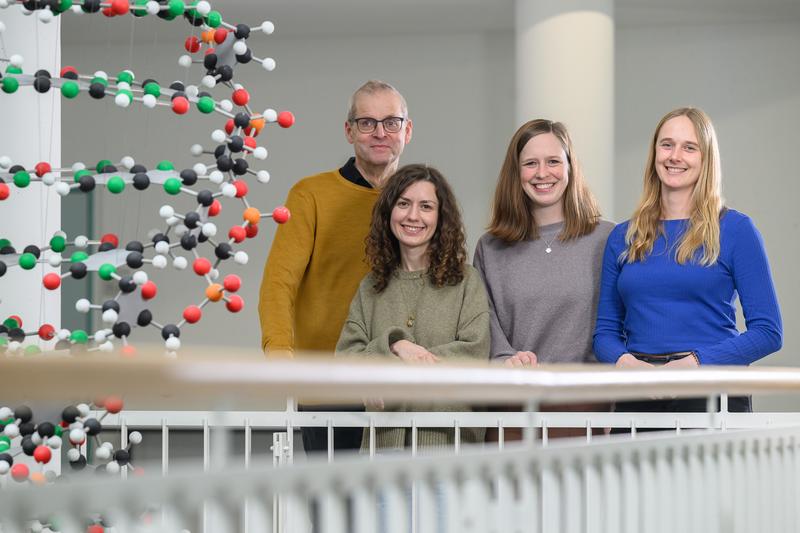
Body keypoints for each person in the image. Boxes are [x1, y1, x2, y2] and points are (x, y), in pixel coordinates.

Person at [593, 107, 783, 417]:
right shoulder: (622, 236)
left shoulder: (735, 230)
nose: (674, 156)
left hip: (710, 388)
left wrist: (693, 363)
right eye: (666, 144)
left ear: (706, 158)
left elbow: (768, 332)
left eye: (689, 147)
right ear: (655, 153)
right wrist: (629, 365)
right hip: (640, 389)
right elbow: (605, 333)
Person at [258, 80, 413, 454]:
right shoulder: (310, 195)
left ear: (408, 130)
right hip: (328, 381)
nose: (380, 132)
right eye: (367, 122)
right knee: (334, 509)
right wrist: (281, 358)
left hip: (403, 381)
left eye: (391, 122)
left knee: (403, 509)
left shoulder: (419, 203)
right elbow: (278, 284)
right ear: (349, 131)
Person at [473, 119, 614, 439]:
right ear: (516, 172)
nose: (542, 173)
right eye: (530, 163)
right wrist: (506, 360)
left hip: (586, 411)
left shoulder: (607, 239)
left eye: (553, 161)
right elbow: (485, 321)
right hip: (512, 410)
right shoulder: (491, 248)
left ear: (570, 167)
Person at [336, 164, 490, 450]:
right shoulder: (370, 287)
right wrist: (396, 345)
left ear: (441, 217)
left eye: (426, 206)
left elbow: (474, 355)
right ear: (389, 213)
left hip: (450, 452)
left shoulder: (467, 281)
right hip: (383, 452)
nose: (413, 216)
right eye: (403, 204)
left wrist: (385, 364)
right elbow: (347, 358)